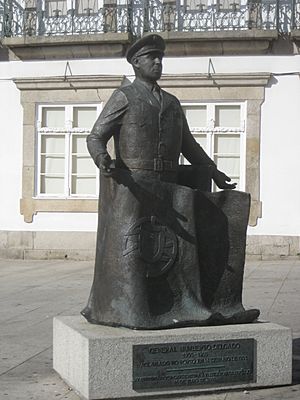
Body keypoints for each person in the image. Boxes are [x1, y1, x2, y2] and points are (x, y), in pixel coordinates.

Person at [81, 34, 259, 329]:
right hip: (135, 188)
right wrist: (102, 157)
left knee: (181, 255)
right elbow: (95, 135)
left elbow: (187, 144)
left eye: (160, 57)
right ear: (136, 63)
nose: (158, 62)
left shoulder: (173, 103)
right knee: (138, 253)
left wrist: (211, 170)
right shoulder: (124, 96)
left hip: (171, 187)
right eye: (151, 58)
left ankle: (186, 305)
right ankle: (129, 310)